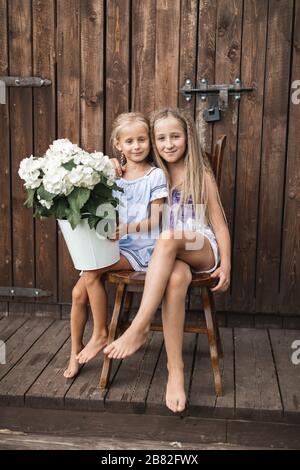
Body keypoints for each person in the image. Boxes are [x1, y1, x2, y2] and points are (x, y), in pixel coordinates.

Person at [104, 107, 231, 412]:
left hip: (201, 246)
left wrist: (226, 263)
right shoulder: (151, 173)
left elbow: (220, 223)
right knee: (174, 279)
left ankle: (139, 326)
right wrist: (113, 165)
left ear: (187, 137)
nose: (169, 143)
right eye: (161, 138)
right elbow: (122, 161)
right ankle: (176, 372)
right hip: (169, 253)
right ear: (152, 141)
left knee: (167, 237)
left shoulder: (199, 173)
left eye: (175, 136)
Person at [63, 112, 168, 378]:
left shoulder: (155, 176)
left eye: (142, 140)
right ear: (118, 145)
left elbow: (156, 220)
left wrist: (127, 228)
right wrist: (106, 164)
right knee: (77, 294)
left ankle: (100, 333)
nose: (136, 146)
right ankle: (75, 351)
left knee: (90, 272)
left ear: (150, 142)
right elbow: (81, 175)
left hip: (141, 248)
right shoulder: (113, 174)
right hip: (115, 246)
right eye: (129, 141)